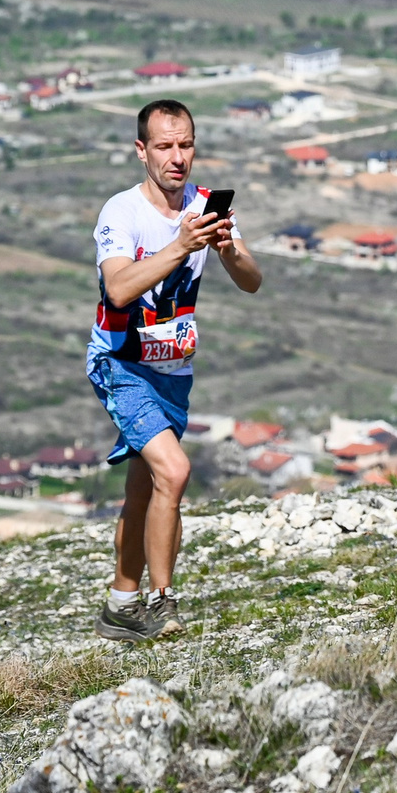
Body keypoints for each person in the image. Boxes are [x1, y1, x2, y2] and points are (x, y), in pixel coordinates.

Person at [90, 98, 261, 641]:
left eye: (185, 144)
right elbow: (118, 287)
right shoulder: (121, 211)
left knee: (145, 488)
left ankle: (121, 603)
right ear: (142, 151)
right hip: (122, 362)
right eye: (164, 146)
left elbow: (253, 282)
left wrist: (227, 248)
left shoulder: (208, 205)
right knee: (175, 471)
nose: (177, 157)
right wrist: (180, 244)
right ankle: (164, 603)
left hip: (173, 368)